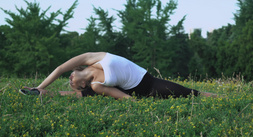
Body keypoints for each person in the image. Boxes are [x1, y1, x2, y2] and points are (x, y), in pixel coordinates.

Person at [21, 52, 217, 99]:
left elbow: (59, 68)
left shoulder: (91, 57)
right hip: (143, 89)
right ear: (82, 85)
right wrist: (43, 93)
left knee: (191, 92)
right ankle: (44, 94)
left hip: (147, 78)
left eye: (69, 77)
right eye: (72, 84)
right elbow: (124, 97)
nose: (70, 79)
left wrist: (40, 85)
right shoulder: (97, 85)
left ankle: (221, 97)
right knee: (188, 94)